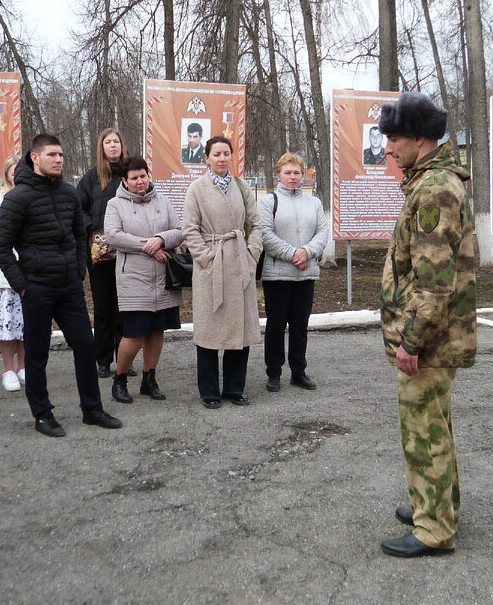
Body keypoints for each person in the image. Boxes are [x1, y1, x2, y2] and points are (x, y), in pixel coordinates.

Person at [375, 92, 477, 559]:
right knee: (436, 425)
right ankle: (436, 505)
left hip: (430, 339)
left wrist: (410, 341)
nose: (389, 149)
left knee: (424, 430)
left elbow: (434, 285)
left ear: (420, 139)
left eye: (394, 139)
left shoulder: (434, 188)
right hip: (436, 335)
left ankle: (433, 528)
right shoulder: (430, 181)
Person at [0, 133, 121, 437]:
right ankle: (42, 414)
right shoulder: (17, 198)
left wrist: (78, 271)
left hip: (69, 286)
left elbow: (79, 233)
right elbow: (0, 246)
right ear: (35, 158)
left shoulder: (67, 192)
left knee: (85, 345)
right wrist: (22, 284)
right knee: (37, 354)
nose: (59, 160)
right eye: (52, 155)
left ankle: (92, 408)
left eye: (61, 155)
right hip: (36, 287)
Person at [183, 135, 262, 408]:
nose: (222, 158)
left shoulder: (243, 187)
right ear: (206, 157)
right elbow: (190, 230)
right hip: (212, 267)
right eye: (216, 154)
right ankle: (209, 391)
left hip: (240, 263)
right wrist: (206, 258)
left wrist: (251, 255)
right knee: (209, 330)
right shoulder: (196, 189)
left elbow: (257, 225)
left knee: (239, 329)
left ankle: (234, 388)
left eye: (226, 153)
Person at [103, 156, 184, 403]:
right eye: (134, 178)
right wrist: (149, 246)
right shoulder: (115, 204)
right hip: (134, 278)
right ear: (125, 182)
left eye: (143, 176)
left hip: (163, 277)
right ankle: (120, 379)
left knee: (157, 330)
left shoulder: (163, 201)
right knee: (134, 335)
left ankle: (149, 379)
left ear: (149, 176)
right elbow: (114, 236)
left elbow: (179, 231)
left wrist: (160, 239)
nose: (140, 181)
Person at [259, 152, 329, 392]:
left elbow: (322, 233)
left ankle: (298, 371)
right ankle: (274, 373)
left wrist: (306, 252)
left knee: (300, 326)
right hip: (278, 275)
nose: (292, 177)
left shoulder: (314, 203)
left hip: (306, 274)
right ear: (278, 174)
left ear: (303, 175)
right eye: (287, 172)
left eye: (296, 172)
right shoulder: (268, 202)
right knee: (276, 326)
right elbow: (265, 235)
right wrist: (293, 254)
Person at [77, 127, 129, 378]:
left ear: (122, 145)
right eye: (107, 142)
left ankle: (124, 357)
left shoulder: (131, 174)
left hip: (127, 249)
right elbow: (79, 210)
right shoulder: (90, 178)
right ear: (102, 147)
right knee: (103, 304)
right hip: (98, 251)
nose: (112, 145)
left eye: (116, 141)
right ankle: (103, 359)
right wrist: (94, 231)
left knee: (125, 305)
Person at [0, 155, 26, 392]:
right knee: (7, 323)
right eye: (13, 170)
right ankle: (8, 369)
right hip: (6, 270)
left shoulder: (31, 196)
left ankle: (24, 367)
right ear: (6, 173)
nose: (16, 173)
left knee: (26, 323)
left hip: (30, 268)